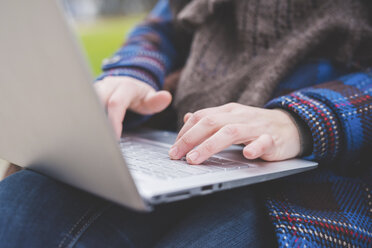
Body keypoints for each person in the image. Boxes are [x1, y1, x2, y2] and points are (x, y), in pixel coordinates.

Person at [0, 0, 371, 247]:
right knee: (18, 207)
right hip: (176, 145)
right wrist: (133, 72)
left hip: (321, 175)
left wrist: (300, 121)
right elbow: (162, 26)